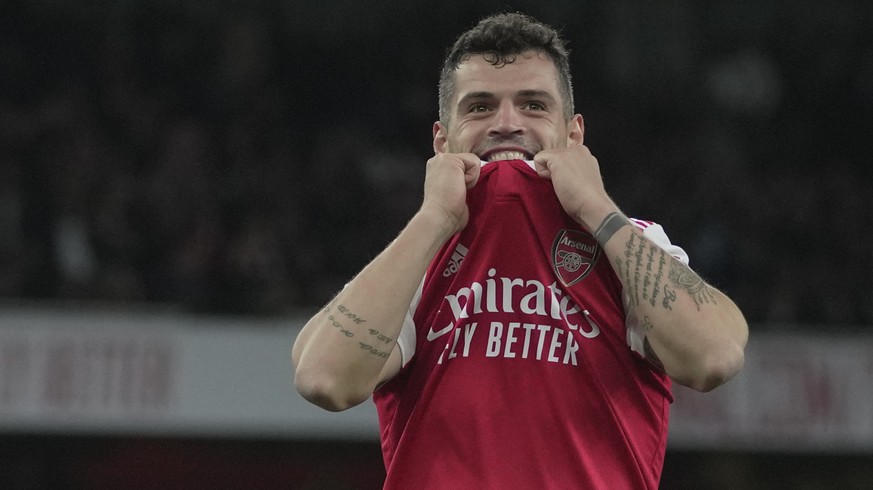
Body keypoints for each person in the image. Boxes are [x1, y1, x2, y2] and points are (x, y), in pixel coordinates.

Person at [292, 12, 748, 489]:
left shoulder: (626, 244)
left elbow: (713, 358)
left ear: (573, 134)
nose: (507, 124)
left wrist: (596, 207)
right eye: (480, 107)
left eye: (532, 105)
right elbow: (324, 380)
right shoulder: (417, 256)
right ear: (442, 141)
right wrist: (431, 220)